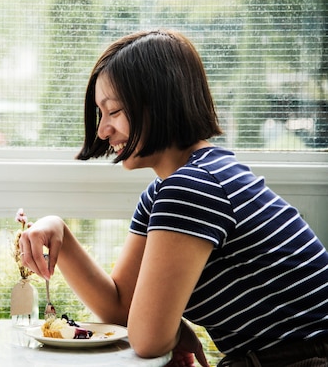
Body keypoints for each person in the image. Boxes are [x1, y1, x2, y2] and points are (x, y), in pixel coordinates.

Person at [19, 29, 328, 367]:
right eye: (100, 114)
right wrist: (58, 231)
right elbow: (121, 308)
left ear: (160, 103)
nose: (102, 131)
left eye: (115, 111)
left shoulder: (192, 187)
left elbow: (148, 339)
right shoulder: (172, 188)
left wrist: (169, 330)